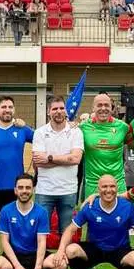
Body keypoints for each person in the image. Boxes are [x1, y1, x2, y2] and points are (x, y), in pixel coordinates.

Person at [56, 174, 134, 269]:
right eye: (104, 187)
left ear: (117, 188)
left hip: (119, 250)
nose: (108, 190)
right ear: (98, 190)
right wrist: (60, 250)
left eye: (112, 186)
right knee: (70, 250)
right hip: (95, 248)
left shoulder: (127, 207)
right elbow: (70, 229)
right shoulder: (90, 206)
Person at [0, 174, 66, 269]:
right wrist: (17, 265)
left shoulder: (41, 212)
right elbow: (5, 242)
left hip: (35, 254)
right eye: (21, 187)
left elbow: (41, 241)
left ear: (33, 189)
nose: (24, 191)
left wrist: (38, 267)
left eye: (28, 188)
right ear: (15, 190)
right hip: (15, 255)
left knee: (62, 266)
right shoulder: (6, 210)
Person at [32, 96, 84, 233]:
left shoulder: (76, 132)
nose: (59, 111)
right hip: (44, 190)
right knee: (40, 233)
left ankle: (63, 256)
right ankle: (40, 255)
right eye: (55, 108)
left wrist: (49, 157)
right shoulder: (40, 133)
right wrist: (66, 160)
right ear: (49, 111)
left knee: (66, 234)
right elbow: (38, 163)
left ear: (66, 111)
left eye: (62, 108)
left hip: (68, 190)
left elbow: (76, 159)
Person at [79, 93, 131, 198]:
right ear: (93, 108)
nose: (103, 108)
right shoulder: (83, 127)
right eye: (99, 105)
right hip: (93, 186)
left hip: (117, 185)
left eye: (107, 105)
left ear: (111, 108)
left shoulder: (123, 127)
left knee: (121, 214)